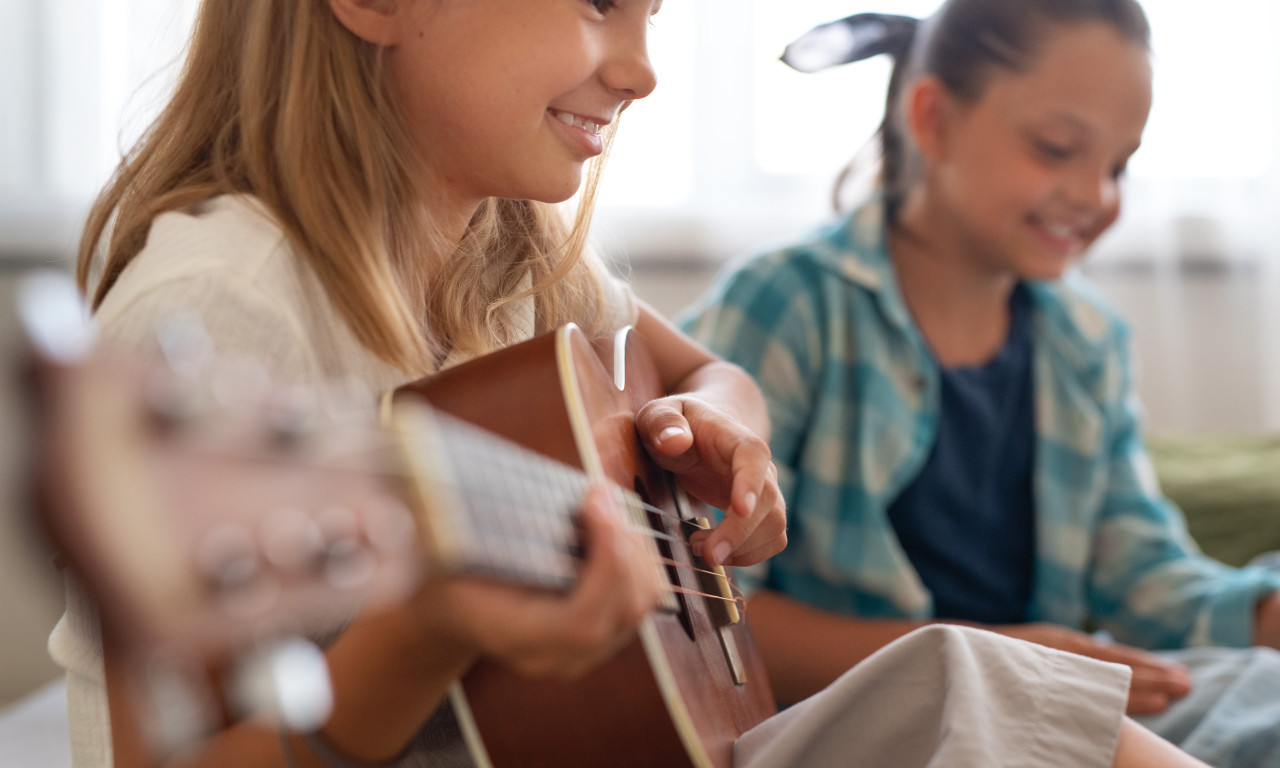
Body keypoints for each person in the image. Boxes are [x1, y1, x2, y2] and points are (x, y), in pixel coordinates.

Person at [53, 1, 1209, 767]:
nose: (644, 71)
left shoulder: (520, 250)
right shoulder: (213, 314)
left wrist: (727, 425)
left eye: (653, 14)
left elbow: (707, 369)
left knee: (1001, 695)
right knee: (976, 684)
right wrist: (420, 634)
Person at [681, 1, 1280, 766]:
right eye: (1057, 148)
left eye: (1118, 166)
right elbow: (707, 606)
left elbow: (1146, 578)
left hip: (1047, 711)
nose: (1095, 196)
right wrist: (991, 657)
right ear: (932, 119)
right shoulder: (789, 306)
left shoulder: (1087, 341)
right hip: (860, 726)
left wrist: (1265, 614)